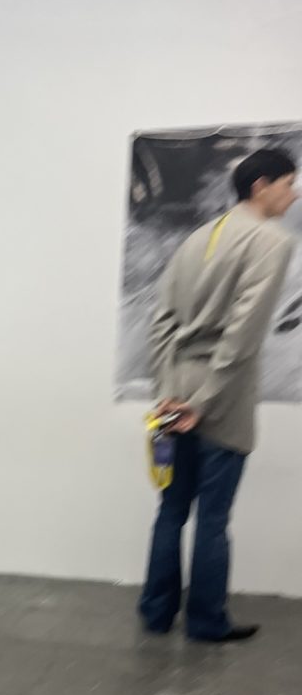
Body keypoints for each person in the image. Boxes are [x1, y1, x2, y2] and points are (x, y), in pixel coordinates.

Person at [139, 147, 297, 642]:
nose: (293, 195)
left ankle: (156, 612)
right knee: (212, 517)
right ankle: (206, 621)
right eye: (289, 184)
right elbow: (242, 334)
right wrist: (202, 402)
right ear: (261, 186)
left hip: (175, 392)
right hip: (221, 398)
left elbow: (161, 320)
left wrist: (170, 392)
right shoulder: (272, 241)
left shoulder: (196, 238)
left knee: (171, 510)